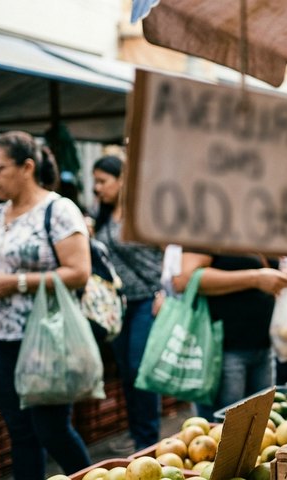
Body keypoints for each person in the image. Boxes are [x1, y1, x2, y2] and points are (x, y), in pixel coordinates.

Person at [0, 131, 92, 477]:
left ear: (27, 167)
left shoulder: (58, 210)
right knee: (20, 433)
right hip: (0, 338)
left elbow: (79, 272)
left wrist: (16, 283)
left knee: (52, 430)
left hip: (46, 339)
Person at [92, 155, 164, 451]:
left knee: (139, 369)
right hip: (118, 306)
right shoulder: (101, 216)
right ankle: (137, 435)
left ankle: (148, 439)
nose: (97, 188)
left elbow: (169, 251)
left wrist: (165, 291)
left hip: (149, 299)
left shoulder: (145, 212)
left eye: (102, 181)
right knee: (125, 371)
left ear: (122, 179)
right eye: (95, 182)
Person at [172, 252, 287, 420]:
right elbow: (184, 280)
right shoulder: (206, 236)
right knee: (223, 426)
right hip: (223, 351)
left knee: (259, 423)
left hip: (263, 346)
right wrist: (256, 278)